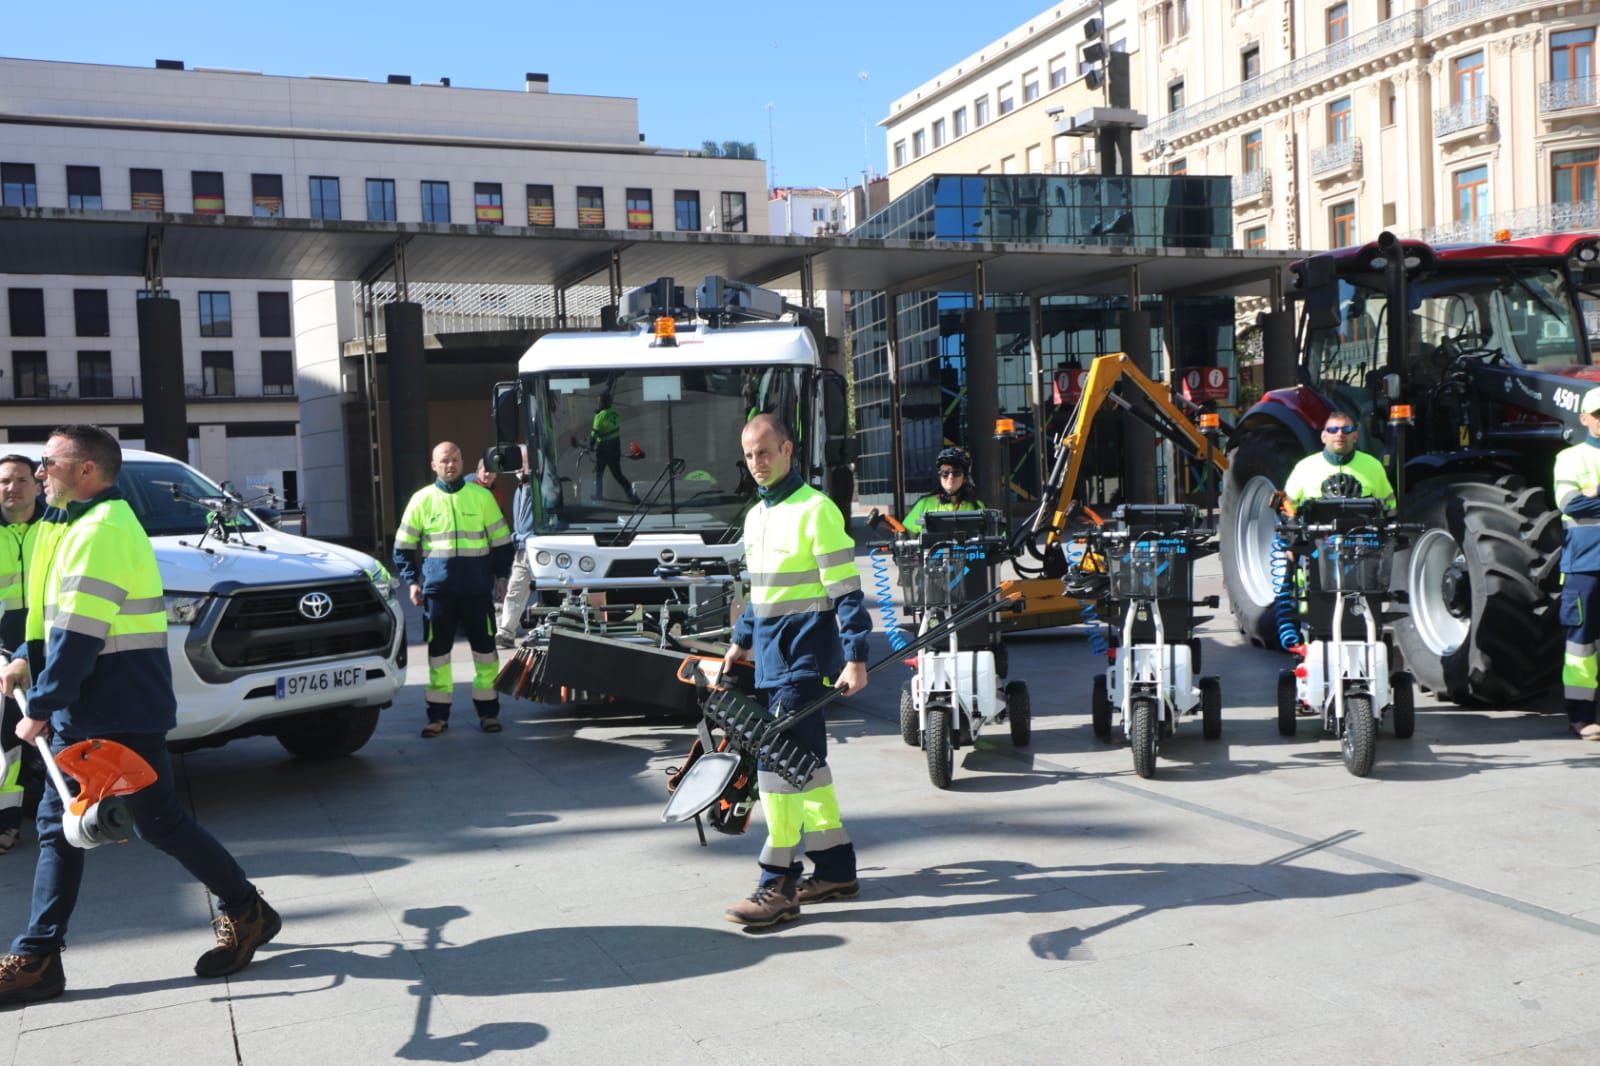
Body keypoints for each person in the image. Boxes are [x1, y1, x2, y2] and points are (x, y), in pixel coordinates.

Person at [0, 425, 279, 1007]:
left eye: (49, 463)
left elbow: (80, 636)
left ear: (86, 471)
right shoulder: (78, 523)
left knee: (141, 823)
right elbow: (57, 622)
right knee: (78, 827)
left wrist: (42, 707)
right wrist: (27, 663)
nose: (40, 472)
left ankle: (243, 908)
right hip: (108, 706)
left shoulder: (100, 531)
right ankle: (39, 956)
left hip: (115, 710)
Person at [719, 414, 871, 927]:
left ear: (787, 449)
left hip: (804, 663)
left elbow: (846, 592)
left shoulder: (817, 511)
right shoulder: (756, 517)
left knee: (777, 770)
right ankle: (834, 867)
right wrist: (739, 643)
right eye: (749, 455)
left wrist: (856, 657)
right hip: (769, 659)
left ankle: (776, 885)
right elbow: (761, 593)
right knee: (808, 769)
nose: (756, 463)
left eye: (764, 452)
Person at [394, 442, 514, 737]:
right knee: (438, 655)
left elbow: (502, 543)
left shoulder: (481, 497)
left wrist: (501, 579)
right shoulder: (421, 500)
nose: (451, 465)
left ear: (463, 463)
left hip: (476, 591)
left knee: (486, 654)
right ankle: (437, 717)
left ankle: (488, 713)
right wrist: (412, 582)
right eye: (445, 460)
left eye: (456, 459)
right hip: (438, 594)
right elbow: (403, 548)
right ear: (433, 465)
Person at [0, 455, 44, 855]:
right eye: (3, 481)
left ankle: (77, 809)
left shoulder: (55, 528)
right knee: (7, 742)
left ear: (37, 484)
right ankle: (7, 824)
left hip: (50, 644)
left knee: (62, 730)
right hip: (2, 654)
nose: (11, 488)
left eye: (19, 480)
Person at [1553, 389, 1600, 740]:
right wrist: (1586, 500)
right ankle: (1581, 718)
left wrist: (1595, 494)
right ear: (1584, 418)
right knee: (1581, 645)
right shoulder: (1571, 458)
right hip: (1585, 565)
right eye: (1597, 414)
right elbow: (1572, 506)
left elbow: (1589, 503)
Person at [1283, 411, 1395, 510]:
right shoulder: (1304, 467)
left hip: (1362, 532)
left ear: (1355, 436)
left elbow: (1390, 506)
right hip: (1317, 533)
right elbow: (1288, 507)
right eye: (1333, 430)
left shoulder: (1373, 465)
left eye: (1346, 429)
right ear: (1323, 437)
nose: (1340, 434)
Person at [495, 452, 537, 650]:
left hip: (537, 547)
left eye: (524, 463)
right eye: (517, 463)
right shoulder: (521, 488)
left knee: (551, 590)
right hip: (523, 547)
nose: (519, 468)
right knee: (515, 589)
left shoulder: (539, 485)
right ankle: (506, 632)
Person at [902, 446, 986, 534]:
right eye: (945, 473)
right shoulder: (924, 504)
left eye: (956, 473)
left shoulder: (977, 506)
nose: (950, 477)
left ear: (964, 478)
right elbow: (907, 535)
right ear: (940, 476)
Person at [590, 391, 640, 505]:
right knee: (618, 474)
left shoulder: (599, 417)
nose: (598, 403)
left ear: (603, 403)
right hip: (615, 446)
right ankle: (632, 496)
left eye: (599, 401)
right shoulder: (615, 411)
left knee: (599, 473)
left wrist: (590, 446)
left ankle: (598, 495)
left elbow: (594, 435)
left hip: (603, 448)